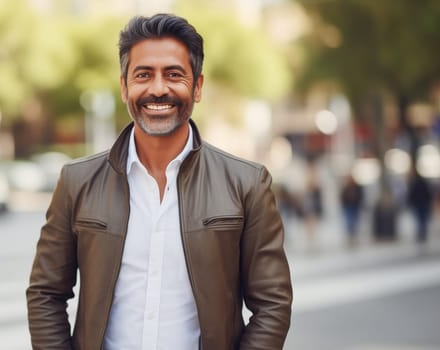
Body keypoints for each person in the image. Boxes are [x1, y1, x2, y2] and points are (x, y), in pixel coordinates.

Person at [27, 13, 292, 350]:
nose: (157, 88)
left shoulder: (248, 184)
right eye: (143, 75)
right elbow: (45, 293)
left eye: (174, 74)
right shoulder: (76, 181)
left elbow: (273, 303)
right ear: (124, 87)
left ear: (197, 86)